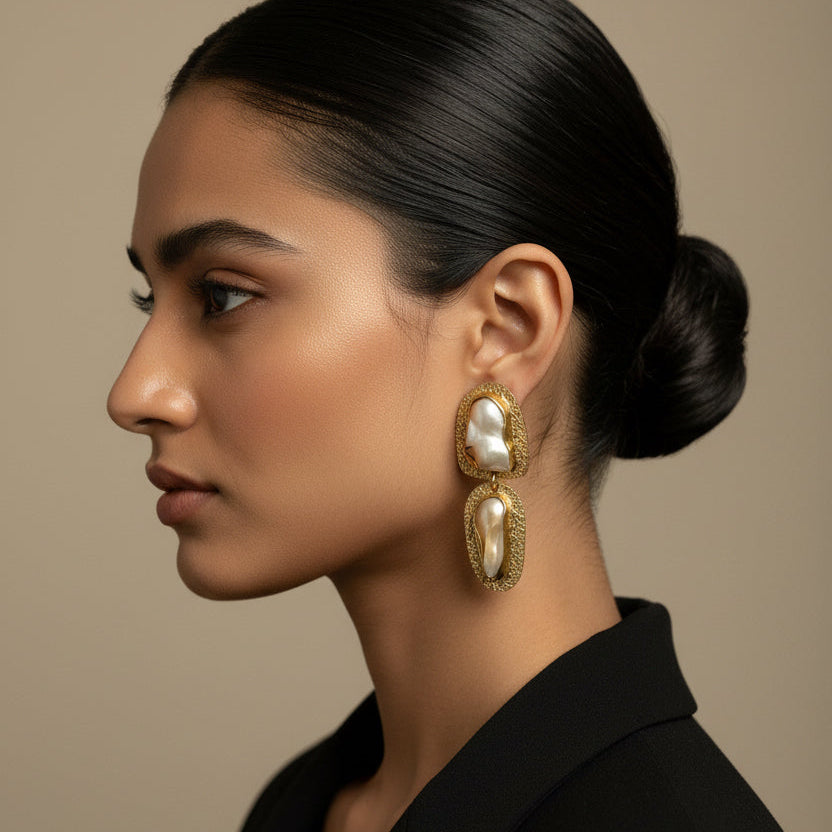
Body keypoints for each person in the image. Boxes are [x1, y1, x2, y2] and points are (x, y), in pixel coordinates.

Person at [106, 1, 783, 829]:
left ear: (508, 327)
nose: (134, 393)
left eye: (222, 295)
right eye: (151, 297)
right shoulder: (306, 803)